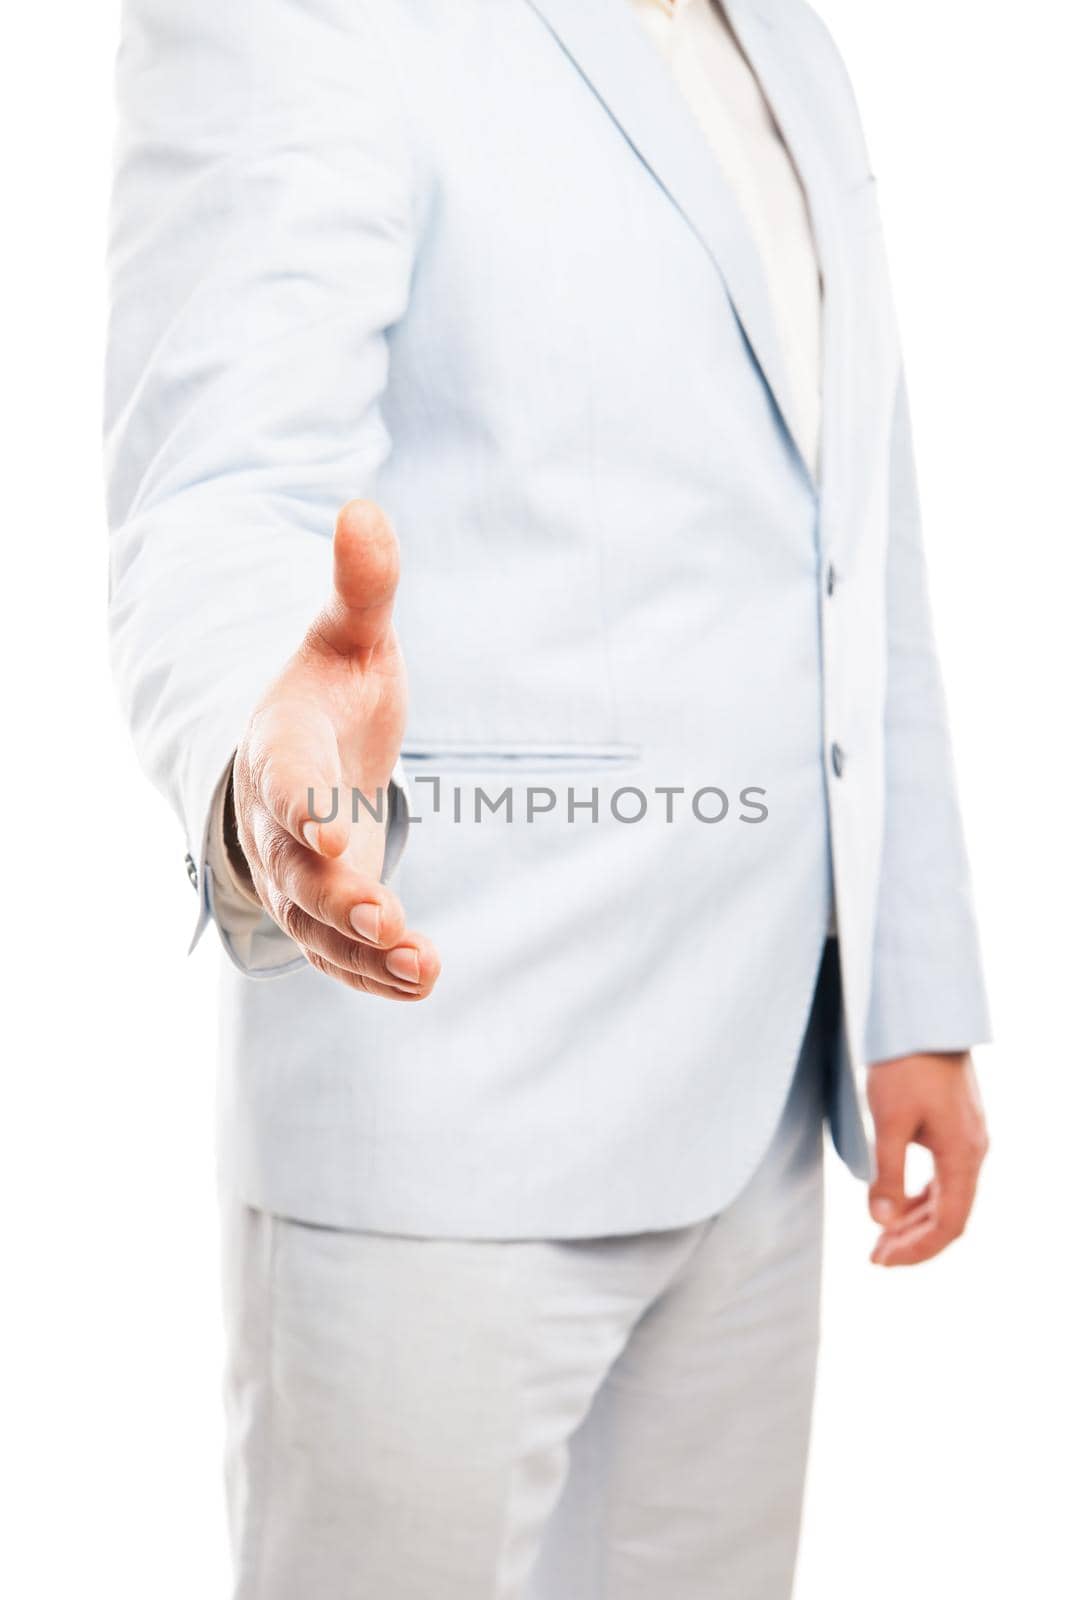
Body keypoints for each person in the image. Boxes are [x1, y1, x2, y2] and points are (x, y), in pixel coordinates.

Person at [107, 0, 991, 1594]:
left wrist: (911, 988)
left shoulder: (785, 39)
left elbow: (856, 530)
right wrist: (271, 771)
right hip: (450, 1095)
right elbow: (228, 488)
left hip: (765, 1104)